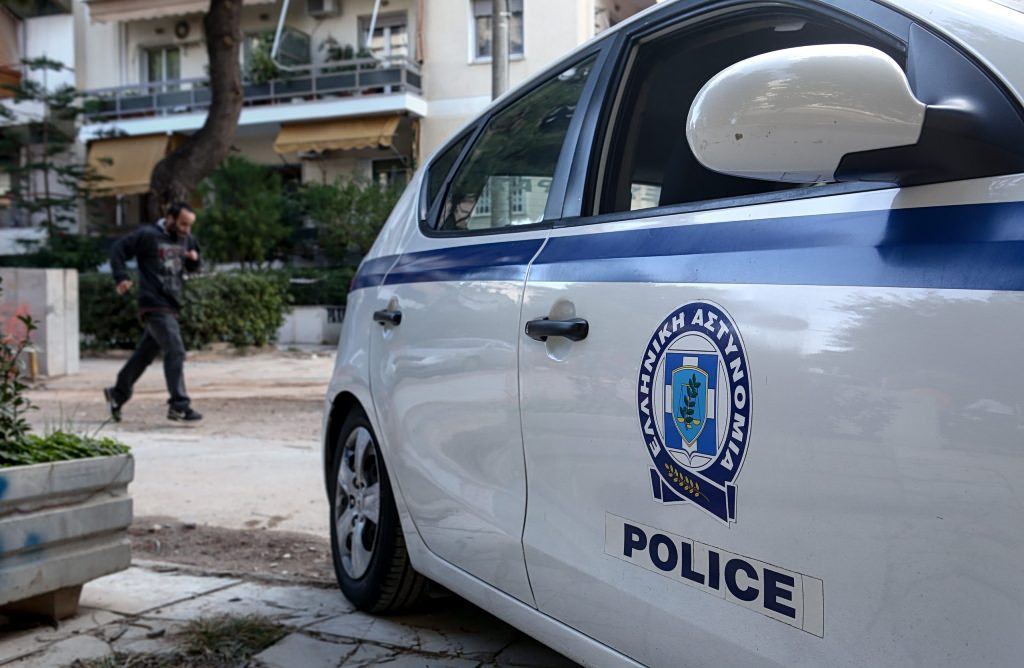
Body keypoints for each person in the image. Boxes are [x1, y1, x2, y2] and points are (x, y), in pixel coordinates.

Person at [104, 202, 203, 422]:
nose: (186, 229)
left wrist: (194, 261)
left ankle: (117, 393)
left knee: (144, 355)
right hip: (154, 303)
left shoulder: (187, 238)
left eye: (189, 225)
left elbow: (194, 265)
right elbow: (118, 249)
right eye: (183, 224)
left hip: (173, 303)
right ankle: (179, 405)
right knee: (175, 350)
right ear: (169, 218)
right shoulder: (148, 235)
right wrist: (121, 277)